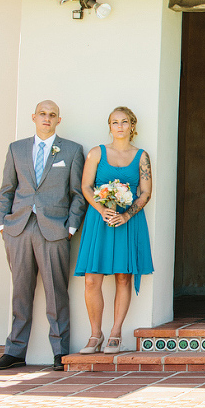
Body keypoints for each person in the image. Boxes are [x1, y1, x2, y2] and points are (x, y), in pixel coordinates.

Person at [0, 100, 86, 371]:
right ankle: (15, 351)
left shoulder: (72, 150)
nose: (47, 118)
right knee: (20, 291)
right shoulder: (16, 149)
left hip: (54, 229)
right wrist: (2, 224)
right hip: (18, 228)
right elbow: (7, 189)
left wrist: (70, 228)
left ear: (59, 120)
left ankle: (59, 352)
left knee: (57, 293)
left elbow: (77, 194)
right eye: (42, 114)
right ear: (34, 117)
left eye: (52, 115)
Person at [73, 106, 154, 354]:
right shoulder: (97, 153)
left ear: (132, 125)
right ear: (109, 126)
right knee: (91, 279)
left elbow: (146, 192)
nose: (119, 126)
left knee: (123, 277)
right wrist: (101, 209)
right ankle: (95, 334)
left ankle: (115, 333)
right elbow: (86, 186)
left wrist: (127, 215)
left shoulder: (142, 156)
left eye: (124, 121)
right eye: (114, 122)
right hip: (100, 220)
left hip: (128, 222)